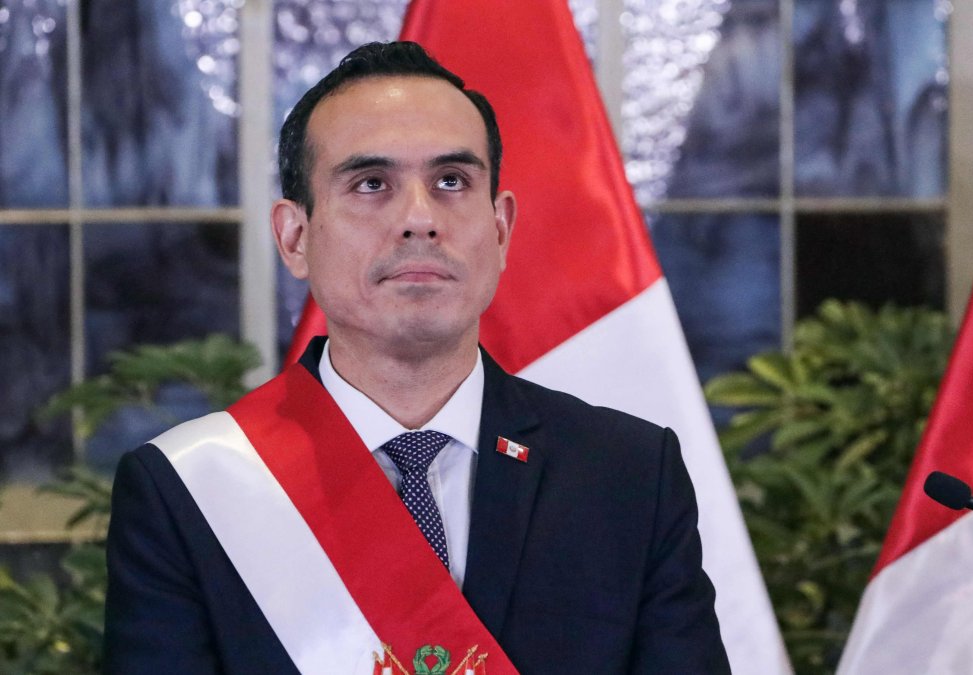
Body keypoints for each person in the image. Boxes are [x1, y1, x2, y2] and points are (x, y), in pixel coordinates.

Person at [103, 41, 731, 674]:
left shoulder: (627, 474)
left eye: (451, 181)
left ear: (501, 228)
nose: (419, 219)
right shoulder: (189, 490)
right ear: (295, 237)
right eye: (372, 184)